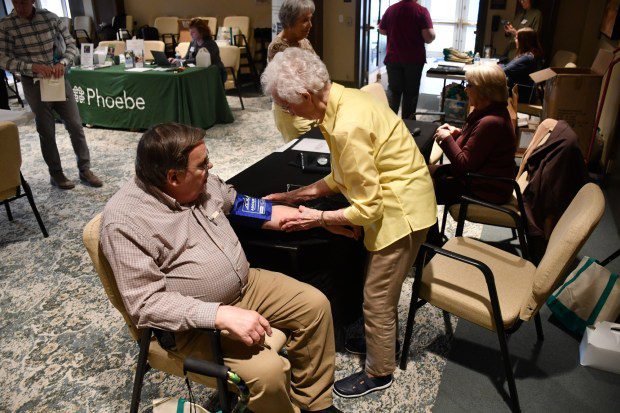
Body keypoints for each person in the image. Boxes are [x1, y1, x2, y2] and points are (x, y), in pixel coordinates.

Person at [100, 122, 345, 413]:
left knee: (315, 306)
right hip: (192, 323)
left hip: (245, 285)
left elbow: (247, 207)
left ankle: (313, 403)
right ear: (173, 177)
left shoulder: (201, 184)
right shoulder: (126, 222)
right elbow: (145, 303)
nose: (211, 167)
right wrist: (218, 314)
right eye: (202, 164)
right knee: (267, 373)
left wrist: (321, 220)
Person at [262, 48, 437, 398]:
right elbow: (342, 176)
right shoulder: (347, 99)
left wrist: (319, 218)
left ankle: (379, 372)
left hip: (402, 213)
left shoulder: (346, 127)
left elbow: (369, 209)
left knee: (376, 298)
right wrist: (296, 196)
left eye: (286, 105)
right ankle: (379, 338)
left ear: (307, 96)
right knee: (376, 290)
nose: (287, 112)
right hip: (408, 198)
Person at [0, 0, 102, 189]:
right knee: (46, 131)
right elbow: (3, 59)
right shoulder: (6, 25)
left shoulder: (49, 18)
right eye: (16, 2)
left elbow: (71, 44)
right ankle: (56, 174)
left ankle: (85, 169)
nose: (20, 6)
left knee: (75, 125)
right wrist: (31, 67)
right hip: (33, 82)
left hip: (57, 78)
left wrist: (62, 63)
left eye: (24, 2)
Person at [427, 64, 516, 244]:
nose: (465, 89)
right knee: (420, 173)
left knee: (418, 188)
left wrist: (446, 139)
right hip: (484, 178)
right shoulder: (492, 112)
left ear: (484, 90)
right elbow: (480, 147)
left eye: (469, 85)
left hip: (485, 188)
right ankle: (429, 238)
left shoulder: (490, 122)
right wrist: (458, 134)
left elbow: (464, 165)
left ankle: (430, 243)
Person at [268, 0, 316, 142]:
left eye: (310, 19)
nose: (310, 25)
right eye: (305, 20)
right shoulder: (278, 47)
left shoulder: (303, 41)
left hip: (310, 108)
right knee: (302, 152)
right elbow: (289, 88)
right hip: (294, 114)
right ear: (289, 21)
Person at [378, 0, 435, 120]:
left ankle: (390, 124)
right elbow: (428, 37)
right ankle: (407, 124)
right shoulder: (421, 11)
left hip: (393, 58)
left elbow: (382, 30)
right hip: (413, 59)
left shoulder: (391, 10)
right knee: (410, 94)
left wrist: (396, 32)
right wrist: (433, 34)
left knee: (394, 91)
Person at [170, 18, 226, 84]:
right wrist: (176, 60)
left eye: (193, 32)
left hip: (213, 73)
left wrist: (183, 61)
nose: (191, 34)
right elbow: (186, 57)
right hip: (196, 72)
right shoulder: (193, 43)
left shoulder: (210, 44)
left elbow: (201, 61)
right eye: (190, 32)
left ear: (202, 32)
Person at [501, 28, 544, 103]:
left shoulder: (527, 58)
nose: (515, 40)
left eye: (517, 38)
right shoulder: (531, 54)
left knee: (485, 86)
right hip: (524, 91)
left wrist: (493, 67)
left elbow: (504, 71)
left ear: (524, 41)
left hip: (520, 94)